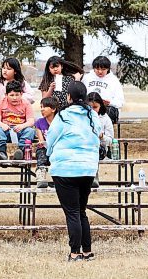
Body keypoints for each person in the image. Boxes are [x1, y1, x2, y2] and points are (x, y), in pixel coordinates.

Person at [46, 81, 101, 262]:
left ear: (68, 97)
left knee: (72, 213)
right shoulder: (92, 115)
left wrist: (49, 155)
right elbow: (97, 138)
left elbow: (51, 138)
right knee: (81, 210)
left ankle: (74, 252)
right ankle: (87, 251)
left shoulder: (62, 116)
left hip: (65, 169)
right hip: (87, 169)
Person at [0, 80, 35, 160]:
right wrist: (2, 125)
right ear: (6, 95)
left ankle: (21, 152)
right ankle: (1, 153)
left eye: (17, 95)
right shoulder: (1, 102)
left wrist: (22, 126)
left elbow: (31, 121)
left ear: (21, 94)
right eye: (11, 95)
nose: (14, 98)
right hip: (6, 129)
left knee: (30, 131)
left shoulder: (26, 103)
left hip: (20, 130)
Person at [82, 56, 124, 124]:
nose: (100, 71)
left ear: (108, 69)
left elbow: (120, 102)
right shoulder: (86, 78)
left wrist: (109, 102)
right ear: (93, 68)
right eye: (97, 69)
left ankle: (102, 133)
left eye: (103, 69)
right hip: (89, 108)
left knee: (106, 114)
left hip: (107, 110)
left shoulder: (114, 81)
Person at [87, 92, 114, 188]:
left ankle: (93, 175)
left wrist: (102, 136)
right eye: (90, 107)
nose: (93, 110)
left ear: (100, 106)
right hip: (84, 145)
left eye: (95, 107)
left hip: (100, 147)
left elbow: (111, 141)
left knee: (94, 150)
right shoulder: (83, 117)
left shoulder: (105, 119)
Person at [34, 97, 59, 188]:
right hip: (46, 149)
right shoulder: (39, 122)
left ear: (53, 109)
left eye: (45, 107)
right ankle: (41, 175)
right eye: (41, 107)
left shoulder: (60, 122)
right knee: (40, 150)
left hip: (58, 149)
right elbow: (41, 140)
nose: (42, 109)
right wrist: (41, 143)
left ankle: (60, 179)